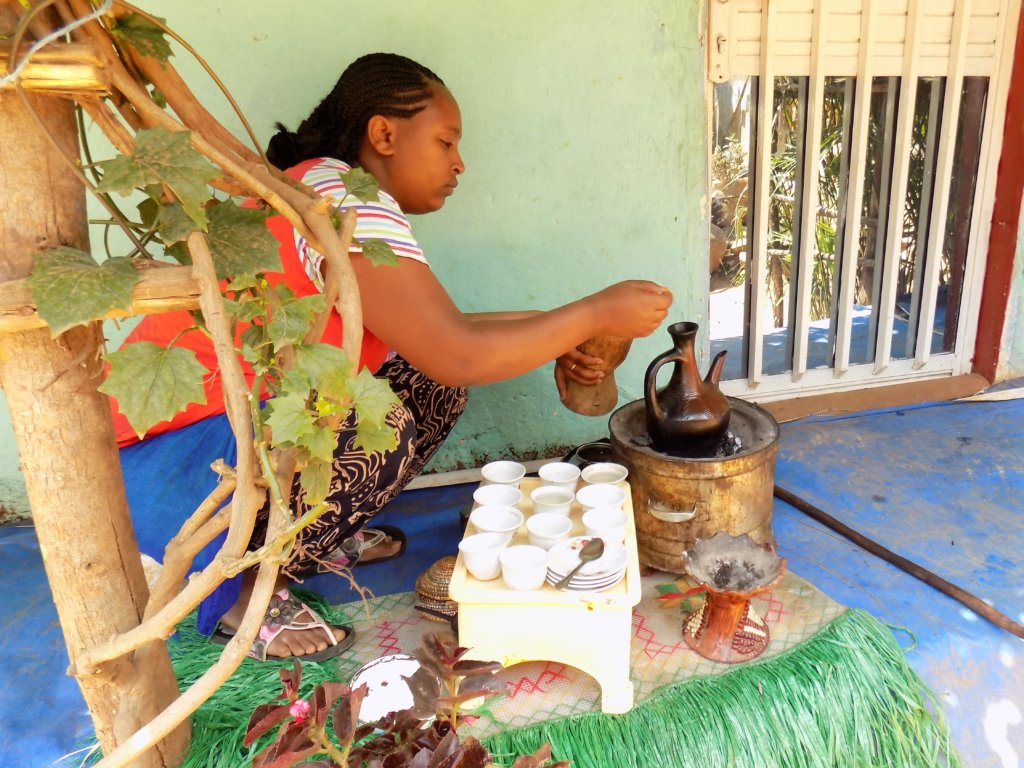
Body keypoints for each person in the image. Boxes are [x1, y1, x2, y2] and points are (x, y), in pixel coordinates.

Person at [112, 52, 672, 662]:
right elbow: (458, 352)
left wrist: (562, 334)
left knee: (424, 385)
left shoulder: (326, 185)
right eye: (445, 141)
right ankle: (242, 586)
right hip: (172, 472)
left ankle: (309, 537)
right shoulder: (345, 200)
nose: (459, 163)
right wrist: (593, 314)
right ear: (383, 133)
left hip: (213, 438)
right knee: (379, 427)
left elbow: (443, 333)